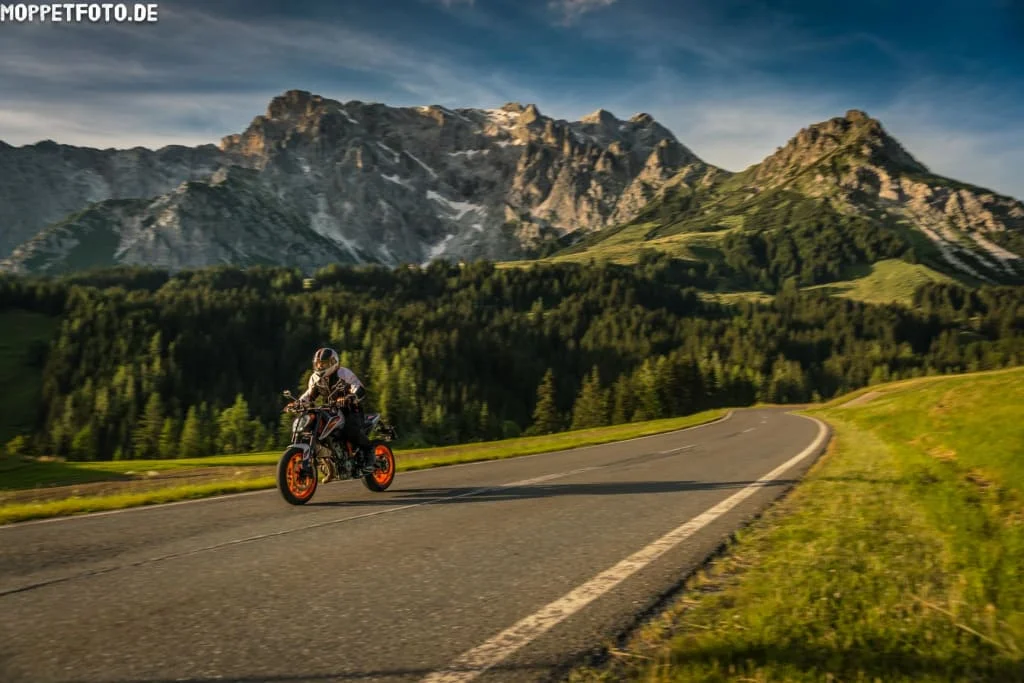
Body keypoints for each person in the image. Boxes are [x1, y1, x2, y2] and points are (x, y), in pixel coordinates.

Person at [292, 347, 375, 473]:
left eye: (323, 363)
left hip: (351, 409)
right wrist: (298, 403)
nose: (320, 366)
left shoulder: (343, 373)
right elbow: (309, 395)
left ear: (332, 363)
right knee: (316, 427)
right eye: (318, 363)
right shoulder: (315, 378)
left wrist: (350, 396)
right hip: (331, 409)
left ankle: (369, 453)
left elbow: (358, 387)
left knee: (350, 430)